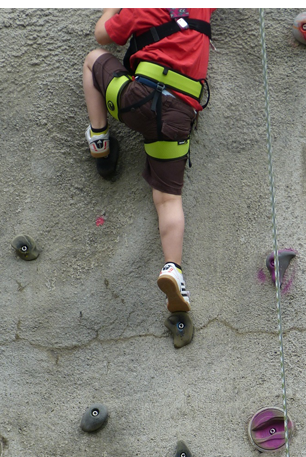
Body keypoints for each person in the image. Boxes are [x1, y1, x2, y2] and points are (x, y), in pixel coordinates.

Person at [82, 8, 215, 313]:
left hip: (137, 100)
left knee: (93, 59)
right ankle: (173, 269)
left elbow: (102, 34)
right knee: (168, 199)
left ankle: (100, 139)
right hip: (179, 114)